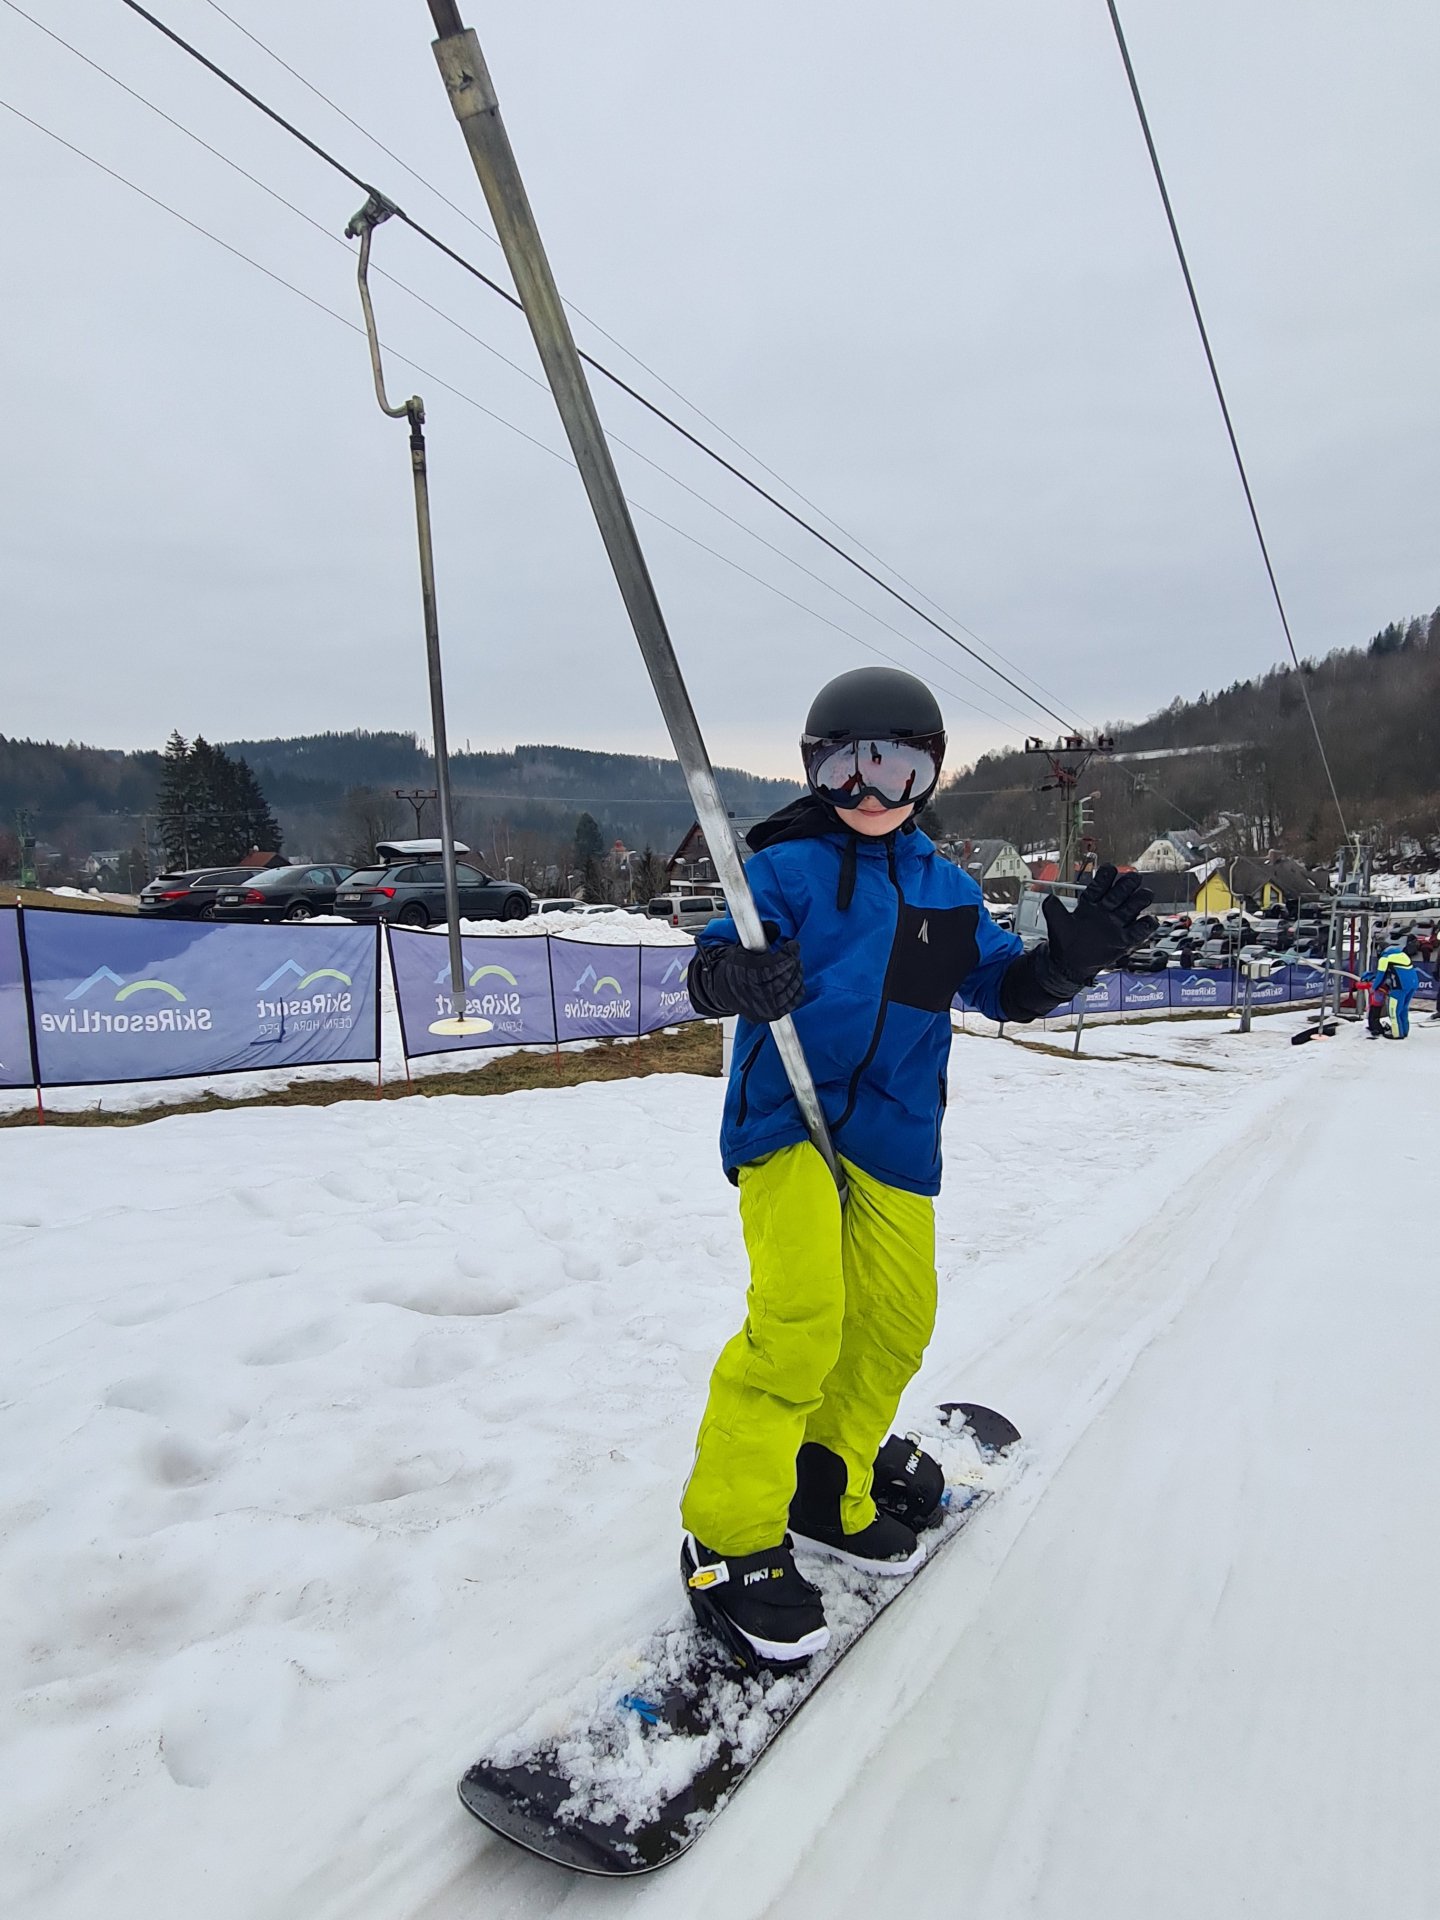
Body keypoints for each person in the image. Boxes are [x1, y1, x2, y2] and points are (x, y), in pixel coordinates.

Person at [679, 666, 1155, 1663]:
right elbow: (709, 965)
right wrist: (737, 977)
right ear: (814, 772)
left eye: (897, 770)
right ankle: (727, 1535)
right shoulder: (783, 870)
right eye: (845, 770)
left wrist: (1066, 964)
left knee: (896, 1320)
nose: (871, 793)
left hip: (894, 1134)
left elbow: (1001, 989)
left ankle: (825, 1481)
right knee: (801, 1318)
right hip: (789, 1121)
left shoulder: (947, 888)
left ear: (930, 774)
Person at [1362, 938, 1419, 1039]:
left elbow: (1380, 975)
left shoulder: (1385, 958)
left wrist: (1374, 987)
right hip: (1413, 984)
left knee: (1394, 1011)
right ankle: (1404, 1031)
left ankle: (1397, 1034)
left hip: (1399, 986)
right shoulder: (1402, 954)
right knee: (1403, 1009)